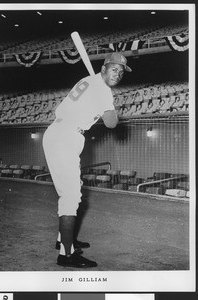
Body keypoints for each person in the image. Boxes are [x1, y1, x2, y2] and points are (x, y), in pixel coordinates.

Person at [42, 52, 132, 268]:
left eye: (120, 72)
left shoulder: (89, 81)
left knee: (73, 190)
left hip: (63, 133)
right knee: (71, 196)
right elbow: (111, 123)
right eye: (113, 69)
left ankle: (64, 239)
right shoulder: (103, 91)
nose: (117, 74)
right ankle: (66, 254)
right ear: (103, 69)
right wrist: (113, 108)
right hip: (65, 136)